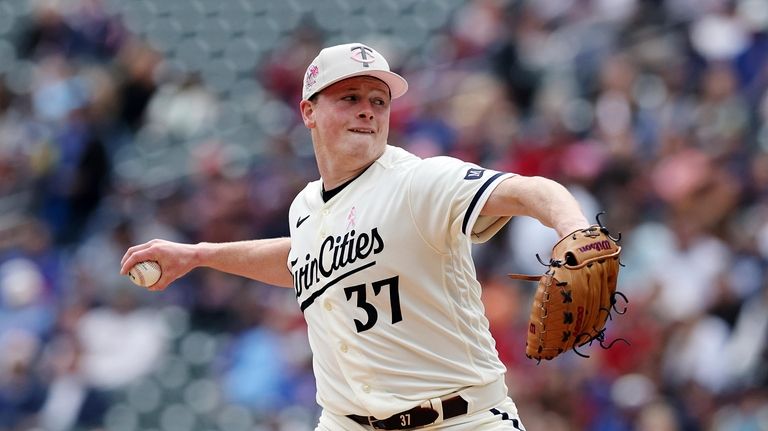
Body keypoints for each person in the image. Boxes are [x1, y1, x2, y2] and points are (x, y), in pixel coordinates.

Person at [120, 42, 590, 430]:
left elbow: (531, 191)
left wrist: (576, 232)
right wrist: (200, 255)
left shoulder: (417, 182)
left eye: (378, 101)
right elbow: (303, 260)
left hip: (458, 420)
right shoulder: (305, 207)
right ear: (308, 111)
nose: (367, 111)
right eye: (350, 98)